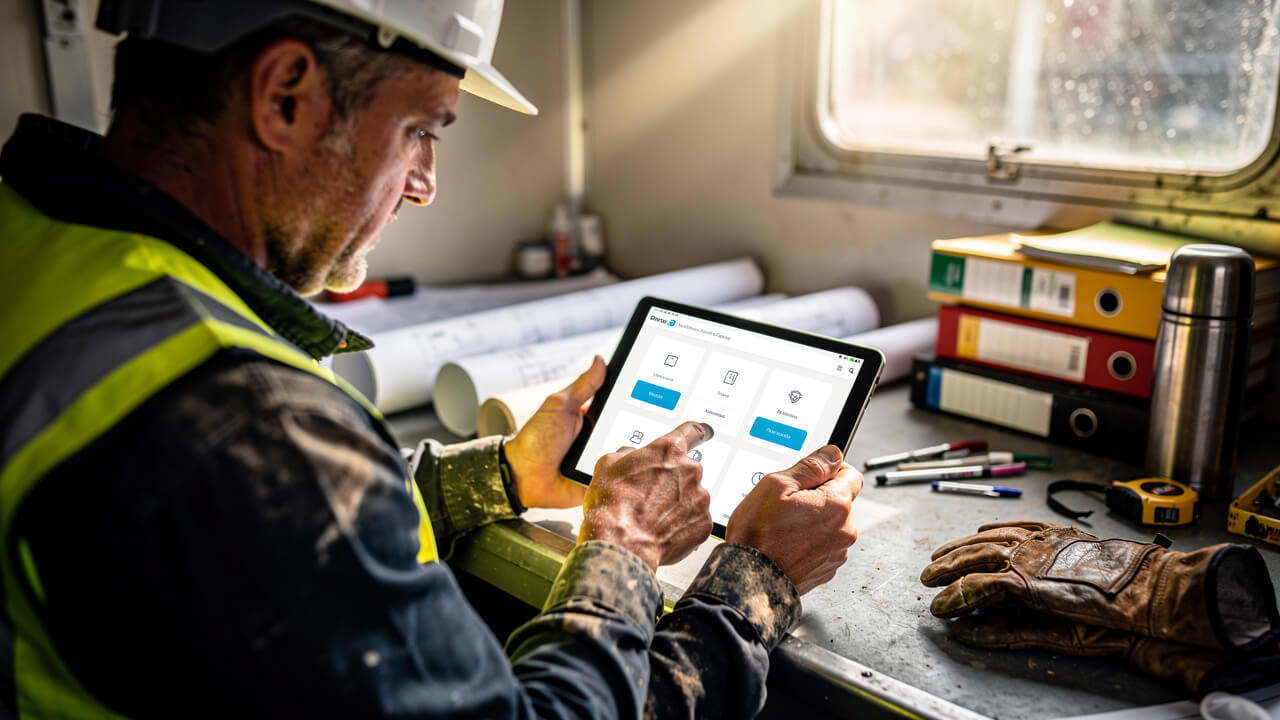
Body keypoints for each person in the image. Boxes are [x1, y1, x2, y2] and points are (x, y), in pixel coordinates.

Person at [0, 1, 863, 717]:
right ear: (287, 96)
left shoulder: (34, 236)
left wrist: (496, 477)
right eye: (421, 129)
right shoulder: (248, 426)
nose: (425, 181)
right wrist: (695, 565)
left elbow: (243, 550)